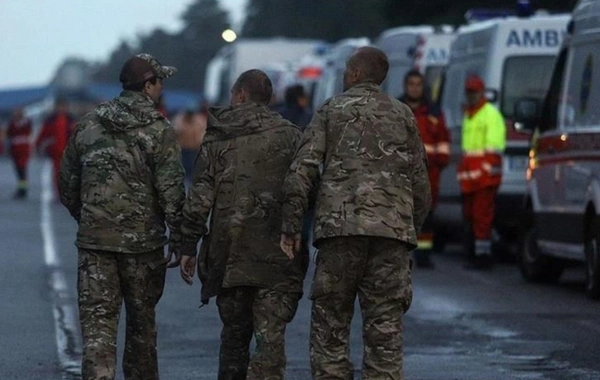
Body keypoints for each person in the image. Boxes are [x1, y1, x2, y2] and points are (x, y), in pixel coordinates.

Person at [280, 47, 431, 379]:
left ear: (358, 75)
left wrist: (291, 227)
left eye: (349, 70)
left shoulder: (331, 110)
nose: (346, 75)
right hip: (391, 236)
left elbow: (301, 171)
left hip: (340, 234)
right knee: (385, 331)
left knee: (330, 327)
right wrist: (409, 229)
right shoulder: (403, 114)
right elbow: (420, 181)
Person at [58, 53, 185, 380]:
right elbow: (172, 192)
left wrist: (89, 219)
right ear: (148, 84)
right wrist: (183, 242)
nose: (162, 89)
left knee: (98, 332)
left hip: (96, 245)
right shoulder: (159, 131)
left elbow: (68, 183)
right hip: (143, 248)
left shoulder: (88, 124)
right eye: (160, 82)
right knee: (142, 330)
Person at [179, 69, 307, 380]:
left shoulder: (219, 136)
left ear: (239, 95)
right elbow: (303, 189)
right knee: (270, 342)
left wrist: (186, 246)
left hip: (229, 255)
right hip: (278, 257)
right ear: (270, 99)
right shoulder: (292, 136)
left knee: (234, 339)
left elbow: (200, 197)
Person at [399, 69, 451, 268]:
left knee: (426, 215)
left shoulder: (434, 112)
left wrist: (440, 161)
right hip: (400, 172)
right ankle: (401, 254)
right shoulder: (396, 108)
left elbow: (443, 140)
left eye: (418, 84)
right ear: (405, 86)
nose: (414, 88)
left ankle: (424, 254)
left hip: (429, 173)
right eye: (411, 84)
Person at [457, 75, 506, 270]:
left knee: (481, 216)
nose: (471, 95)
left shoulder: (489, 114)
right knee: (471, 216)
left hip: (484, 177)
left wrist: (483, 171)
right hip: (472, 177)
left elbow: (493, 149)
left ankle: (483, 256)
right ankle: (478, 252)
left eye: (474, 91)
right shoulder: (470, 115)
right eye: (469, 91)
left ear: (481, 92)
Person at [36, 99, 75, 195]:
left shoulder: (70, 120)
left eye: (63, 106)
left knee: (69, 172)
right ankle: (59, 192)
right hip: (55, 151)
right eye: (59, 106)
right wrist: (38, 146)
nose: (61, 109)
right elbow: (42, 134)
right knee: (57, 173)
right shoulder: (50, 120)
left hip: (68, 150)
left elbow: (77, 133)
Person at [172, 105, 207, 182]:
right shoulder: (179, 120)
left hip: (195, 151)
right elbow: (174, 133)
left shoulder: (200, 121)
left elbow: (203, 135)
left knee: (194, 173)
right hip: (183, 151)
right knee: (182, 172)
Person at [6, 108, 33, 199]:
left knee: (22, 169)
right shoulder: (12, 123)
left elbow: (29, 132)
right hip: (15, 149)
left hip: (23, 149)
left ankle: (23, 190)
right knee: (18, 170)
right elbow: (9, 136)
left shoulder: (26, 122)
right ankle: (21, 188)